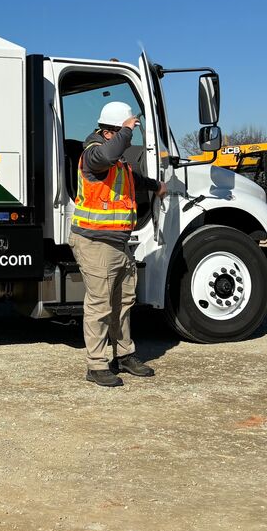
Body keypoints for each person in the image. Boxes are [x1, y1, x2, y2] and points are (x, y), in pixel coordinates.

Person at [70, 101, 166, 388]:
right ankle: (97, 365)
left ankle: (124, 355)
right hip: (95, 242)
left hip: (118, 242)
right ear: (110, 132)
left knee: (123, 302)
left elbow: (132, 180)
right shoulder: (94, 155)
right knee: (100, 306)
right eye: (125, 134)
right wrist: (127, 130)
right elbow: (108, 154)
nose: (129, 140)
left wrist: (155, 186)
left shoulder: (116, 162)